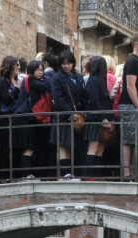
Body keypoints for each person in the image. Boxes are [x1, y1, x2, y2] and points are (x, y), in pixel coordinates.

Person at [49, 50, 88, 180]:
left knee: (73, 145)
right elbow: (57, 98)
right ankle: (64, 172)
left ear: (73, 63)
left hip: (77, 117)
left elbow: (82, 96)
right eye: (63, 63)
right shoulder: (56, 78)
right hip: (63, 116)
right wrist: (70, 112)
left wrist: (81, 113)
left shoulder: (79, 77)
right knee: (62, 145)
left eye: (69, 63)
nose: (66, 66)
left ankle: (71, 171)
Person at [118, 31, 138, 181]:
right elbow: (130, 86)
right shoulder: (132, 61)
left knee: (132, 140)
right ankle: (127, 175)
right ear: (137, 44)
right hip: (129, 105)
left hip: (132, 105)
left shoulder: (137, 61)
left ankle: (130, 174)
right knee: (128, 140)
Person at [12, 59, 51, 178]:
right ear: (31, 70)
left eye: (41, 70)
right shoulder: (31, 79)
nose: (40, 72)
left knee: (30, 148)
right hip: (25, 118)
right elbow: (45, 86)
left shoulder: (30, 80)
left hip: (27, 118)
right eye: (37, 70)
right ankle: (25, 175)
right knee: (29, 148)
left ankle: (25, 174)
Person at [82, 56, 113, 179]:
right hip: (95, 119)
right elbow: (95, 101)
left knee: (99, 148)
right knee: (94, 148)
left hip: (98, 118)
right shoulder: (94, 80)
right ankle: (88, 176)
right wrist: (104, 118)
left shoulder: (95, 80)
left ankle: (96, 175)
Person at [0, 56, 21, 181]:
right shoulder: (2, 81)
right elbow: (7, 99)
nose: (19, 67)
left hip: (16, 118)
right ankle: (3, 177)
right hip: (4, 118)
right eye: (17, 65)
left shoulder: (16, 80)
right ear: (10, 66)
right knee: (5, 148)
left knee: (16, 147)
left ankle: (15, 175)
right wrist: (17, 89)